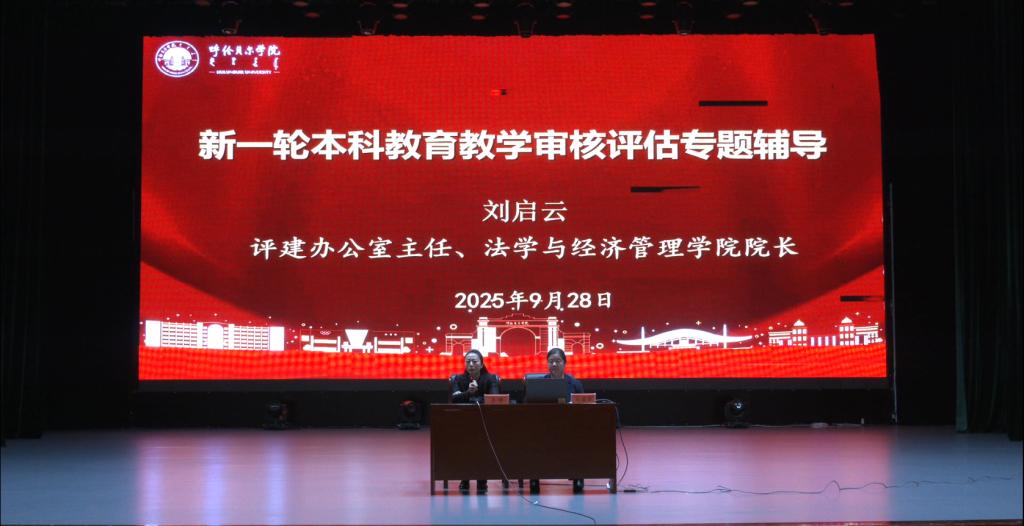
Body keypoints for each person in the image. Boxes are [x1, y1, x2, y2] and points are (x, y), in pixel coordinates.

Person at [530, 347, 586, 494]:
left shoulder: (575, 383)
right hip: (544, 426)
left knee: (579, 440)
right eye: (551, 361)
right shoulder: (539, 384)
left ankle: (578, 476)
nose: (554, 364)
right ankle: (534, 477)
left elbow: (583, 406)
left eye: (558, 361)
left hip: (569, 426)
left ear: (564, 363)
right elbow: (529, 404)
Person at [450, 349, 500, 493]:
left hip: (486, 422)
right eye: (468, 362)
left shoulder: (490, 379)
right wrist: (468, 393)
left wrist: (472, 397)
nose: (471, 364)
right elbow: (454, 399)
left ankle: (482, 480)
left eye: (474, 361)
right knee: (464, 447)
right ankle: (465, 478)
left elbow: (494, 398)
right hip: (463, 422)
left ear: (482, 364)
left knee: (482, 447)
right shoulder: (458, 379)